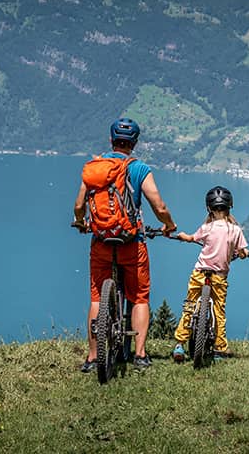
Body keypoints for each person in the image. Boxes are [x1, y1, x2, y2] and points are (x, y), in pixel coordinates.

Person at [72, 117, 177, 371]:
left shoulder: (95, 167)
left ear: (111, 140)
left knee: (97, 298)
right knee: (140, 297)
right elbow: (159, 206)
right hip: (132, 242)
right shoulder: (139, 168)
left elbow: (78, 206)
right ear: (135, 143)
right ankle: (140, 355)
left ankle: (93, 357)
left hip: (101, 241)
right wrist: (169, 225)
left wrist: (81, 222)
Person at [171, 186, 249, 362]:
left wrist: (182, 236)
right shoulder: (235, 230)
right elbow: (243, 250)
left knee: (190, 305)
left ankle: (179, 345)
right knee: (218, 311)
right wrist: (244, 254)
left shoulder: (207, 227)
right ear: (230, 206)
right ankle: (220, 348)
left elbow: (192, 238)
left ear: (209, 208)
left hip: (200, 272)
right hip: (220, 276)